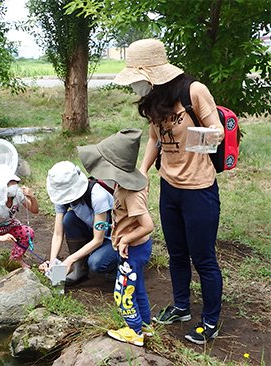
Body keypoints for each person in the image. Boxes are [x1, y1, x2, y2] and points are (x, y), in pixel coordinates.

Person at [114, 38, 224, 345]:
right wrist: (143, 172)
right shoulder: (153, 101)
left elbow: (218, 130)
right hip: (169, 186)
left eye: (138, 78)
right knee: (176, 253)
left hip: (199, 189)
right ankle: (181, 307)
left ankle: (211, 320)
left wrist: (203, 138)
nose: (135, 86)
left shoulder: (194, 91)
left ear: (153, 74)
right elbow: (154, 139)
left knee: (203, 258)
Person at [78, 128, 154, 347]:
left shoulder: (132, 193)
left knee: (122, 292)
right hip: (131, 248)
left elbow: (147, 225)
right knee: (136, 287)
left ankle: (133, 331)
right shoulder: (123, 185)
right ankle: (145, 326)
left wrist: (125, 239)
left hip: (134, 249)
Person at [40, 161, 118, 284]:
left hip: (113, 237)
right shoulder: (61, 197)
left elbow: (99, 240)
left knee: (96, 263)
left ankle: (118, 267)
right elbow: (58, 234)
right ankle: (79, 270)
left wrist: (69, 260)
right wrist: (53, 262)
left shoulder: (97, 195)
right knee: (69, 219)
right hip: (92, 229)